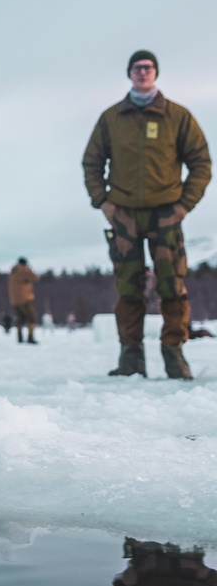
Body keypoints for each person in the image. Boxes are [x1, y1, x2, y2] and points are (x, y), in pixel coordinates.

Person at [83, 51, 211, 379]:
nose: (143, 72)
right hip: (123, 213)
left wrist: (183, 206)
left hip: (166, 212)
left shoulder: (177, 116)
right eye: (137, 68)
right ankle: (130, 358)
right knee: (128, 287)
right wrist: (105, 203)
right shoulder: (111, 118)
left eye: (148, 67)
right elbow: (92, 163)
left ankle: (174, 354)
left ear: (156, 73)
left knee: (172, 285)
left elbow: (201, 162)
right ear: (130, 74)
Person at [7, 257, 40, 345]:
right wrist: (29, 269)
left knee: (20, 319)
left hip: (15, 300)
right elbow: (35, 277)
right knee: (31, 318)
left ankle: (20, 338)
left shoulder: (13, 272)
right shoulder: (22, 271)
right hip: (25, 298)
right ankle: (30, 337)